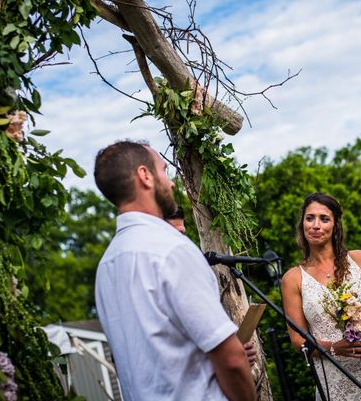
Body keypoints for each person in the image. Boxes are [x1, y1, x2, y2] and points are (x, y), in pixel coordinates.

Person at [93, 140, 256, 401]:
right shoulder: (171, 250)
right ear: (145, 176)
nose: (170, 183)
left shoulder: (107, 265)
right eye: (164, 170)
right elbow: (231, 359)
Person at [281, 192, 361, 400]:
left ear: (335, 226)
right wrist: (334, 348)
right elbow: (298, 341)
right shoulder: (293, 279)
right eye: (309, 218)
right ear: (302, 223)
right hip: (336, 378)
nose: (315, 225)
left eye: (324, 219)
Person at [164, 206, 258, 367]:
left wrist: (236, 347)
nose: (181, 241)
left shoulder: (192, 273)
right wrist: (230, 353)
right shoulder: (157, 284)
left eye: (183, 234)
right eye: (175, 234)